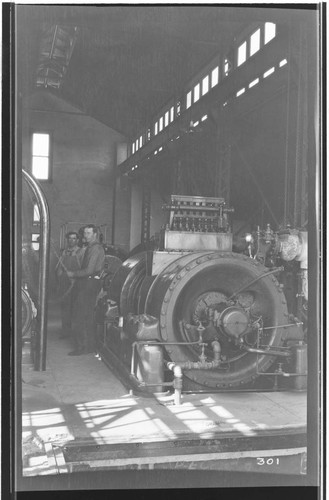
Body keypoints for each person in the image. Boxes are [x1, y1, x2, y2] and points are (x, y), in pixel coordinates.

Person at [67, 224, 105, 355]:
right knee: (86, 315)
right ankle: (88, 346)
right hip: (87, 283)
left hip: (90, 283)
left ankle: (82, 347)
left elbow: (89, 270)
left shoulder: (96, 249)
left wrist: (73, 274)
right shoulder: (90, 248)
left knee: (80, 315)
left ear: (95, 234)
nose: (86, 236)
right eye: (85, 233)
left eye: (89, 233)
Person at [56, 232, 84, 339]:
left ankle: (75, 333)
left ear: (77, 240)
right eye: (69, 239)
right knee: (65, 308)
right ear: (67, 240)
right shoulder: (64, 252)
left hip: (76, 283)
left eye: (74, 239)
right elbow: (59, 266)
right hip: (64, 283)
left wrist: (76, 277)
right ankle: (65, 332)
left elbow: (83, 268)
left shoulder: (81, 251)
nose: (71, 241)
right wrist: (59, 276)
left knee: (75, 308)